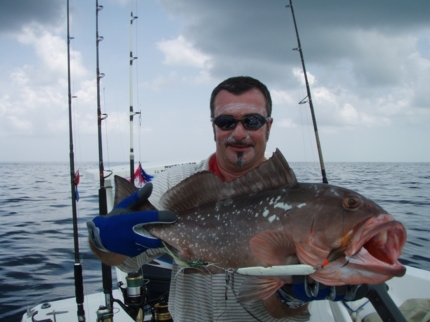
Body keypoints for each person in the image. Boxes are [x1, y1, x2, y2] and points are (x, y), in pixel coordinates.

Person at [88, 76, 361, 321]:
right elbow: (122, 262)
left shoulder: (297, 202)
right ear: (214, 127)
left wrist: (291, 293)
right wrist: (104, 240)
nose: (239, 133)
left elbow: (283, 314)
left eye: (252, 121)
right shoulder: (174, 184)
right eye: (226, 122)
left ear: (269, 126)